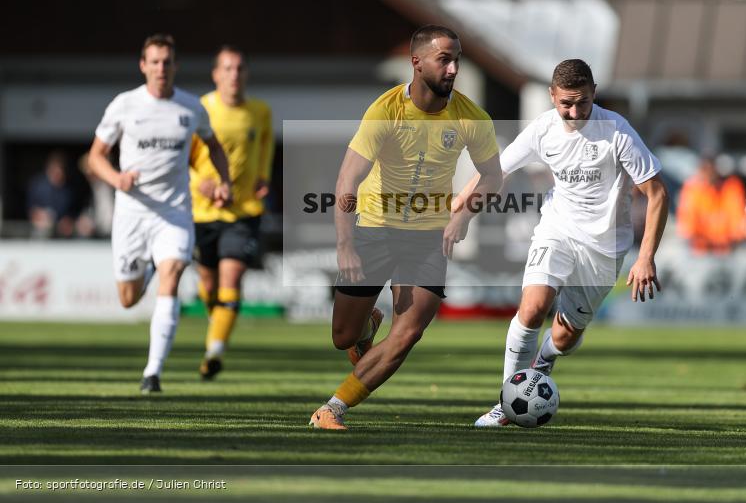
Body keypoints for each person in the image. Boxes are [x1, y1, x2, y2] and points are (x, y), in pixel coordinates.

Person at [308, 25, 503, 429]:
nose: (453, 69)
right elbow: (347, 181)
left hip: (428, 238)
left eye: (456, 60)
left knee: (408, 333)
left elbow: (492, 176)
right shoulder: (385, 110)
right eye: (444, 59)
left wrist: (463, 215)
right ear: (417, 62)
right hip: (375, 228)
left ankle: (332, 409)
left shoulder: (471, 117)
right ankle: (366, 328)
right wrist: (345, 245)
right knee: (343, 337)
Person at [461, 59, 669, 427]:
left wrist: (646, 257)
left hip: (604, 247)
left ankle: (543, 361)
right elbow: (495, 172)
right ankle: (507, 402)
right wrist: (459, 213)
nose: (574, 112)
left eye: (582, 102)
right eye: (566, 104)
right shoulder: (543, 129)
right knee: (532, 308)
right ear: (552, 96)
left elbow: (657, 194)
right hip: (557, 229)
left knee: (565, 336)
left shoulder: (617, 132)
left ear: (594, 94)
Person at [87, 34, 232, 394]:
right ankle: (147, 268)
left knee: (173, 275)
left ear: (175, 65)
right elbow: (95, 156)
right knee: (128, 299)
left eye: (167, 61)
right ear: (143, 65)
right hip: (132, 213)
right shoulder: (124, 105)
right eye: (154, 61)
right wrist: (117, 179)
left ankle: (152, 373)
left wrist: (224, 182)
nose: (161, 68)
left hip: (174, 211)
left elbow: (214, 147)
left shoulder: (190, 107)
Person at [189, 45, 273, 380]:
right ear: (215, 74)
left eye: (239, 68)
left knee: (232, 278)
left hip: (243, 211)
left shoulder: (259, 111)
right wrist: (201, 184)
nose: (234, 74)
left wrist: (263, 176)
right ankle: (218, 323)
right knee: (208, 285)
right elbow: (182, 159)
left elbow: (265, 144)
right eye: (227, 68)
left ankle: (214, 352)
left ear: (246, 73)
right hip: (202, 212)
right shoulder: (200, 109)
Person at [676, 156, 746, 254]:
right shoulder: (692, 189)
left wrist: (726, 242)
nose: (708, 175)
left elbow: (738, 224)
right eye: (705, 170)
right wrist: (702, 242)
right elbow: (687, 227)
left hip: (729, 249)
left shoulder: (731, 186)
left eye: (711, 170)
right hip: (700, 251)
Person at [27, 151, 92, 239]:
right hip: (43, 228)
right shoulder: (37, 186)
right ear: (49, 170)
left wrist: (69, 220)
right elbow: (31, 211)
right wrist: (42, 216)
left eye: (60, 173)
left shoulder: (70, 188)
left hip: (66, 229)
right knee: (42, 230)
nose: (58, 176)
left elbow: (76, 211)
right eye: (54, 172)